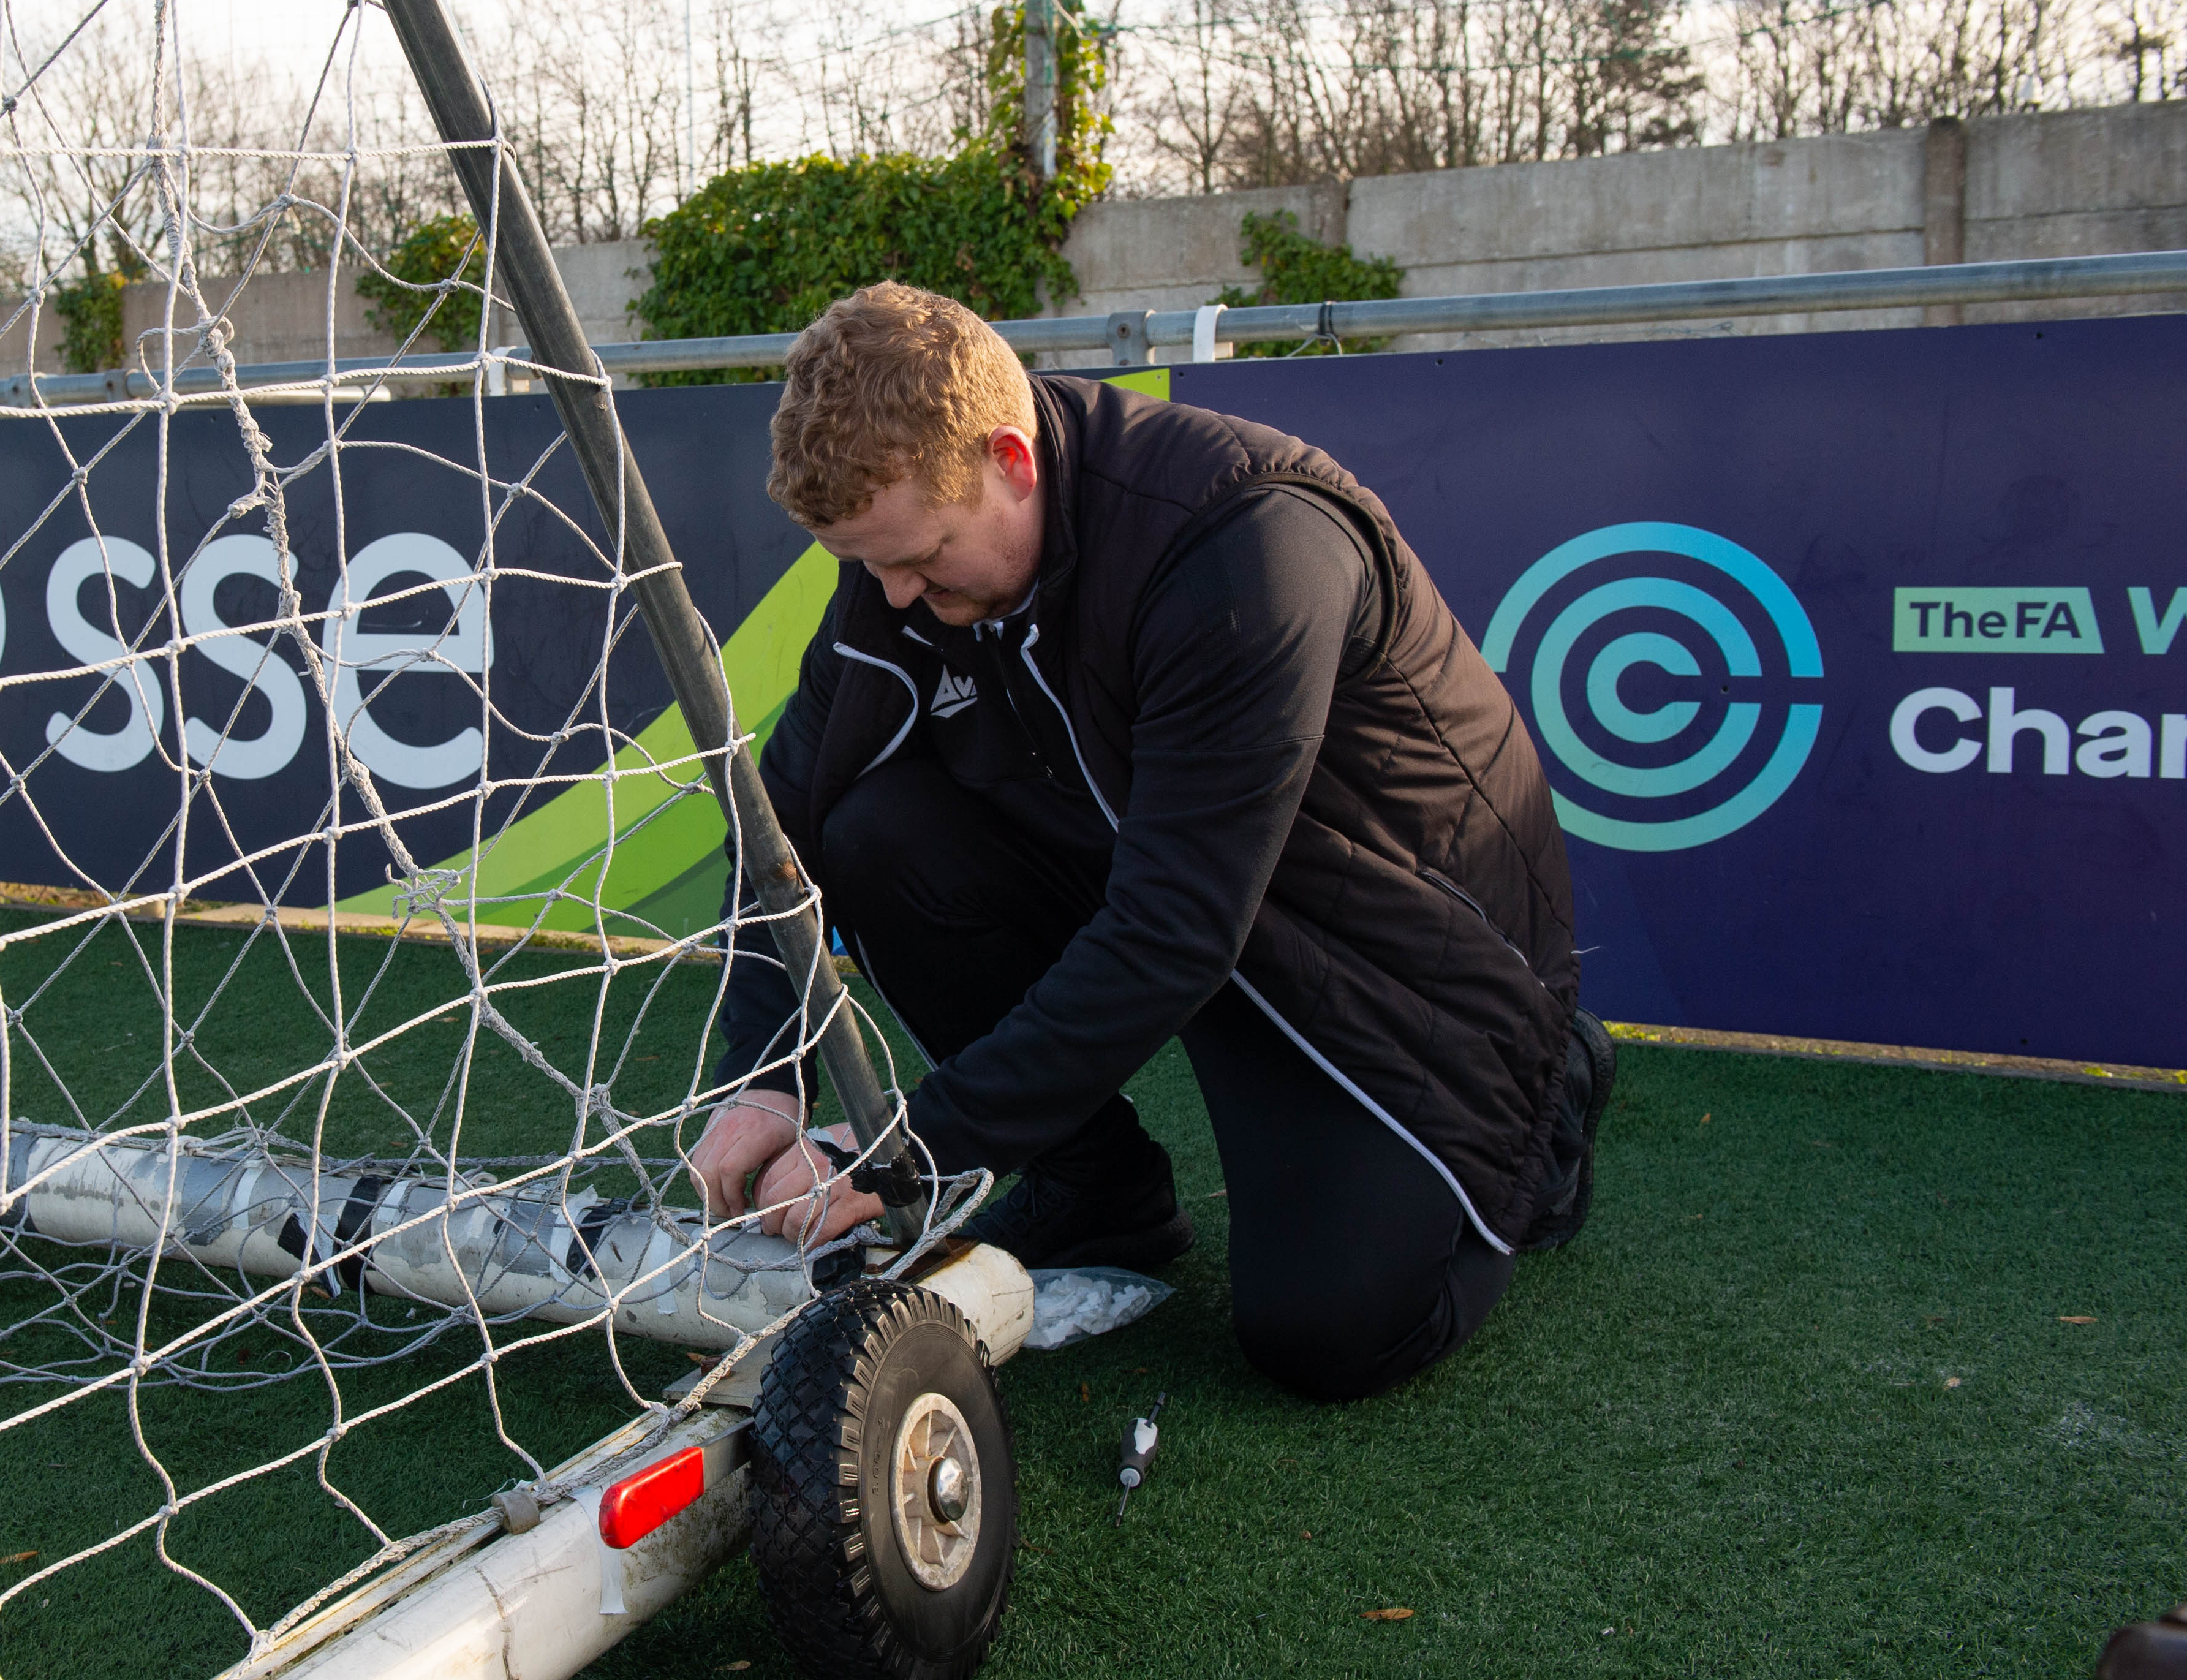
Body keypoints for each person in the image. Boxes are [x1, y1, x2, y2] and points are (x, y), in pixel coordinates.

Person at [686, 282, 1612, 1403]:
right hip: (1174, 892)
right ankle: (1100, 1190)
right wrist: (763, 1074)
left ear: (1012, 462)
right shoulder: (905, 562)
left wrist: (901, 1148)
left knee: (1332, 1334)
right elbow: (786, 832)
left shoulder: (1248, 541)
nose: (893, 597)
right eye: (867, 568)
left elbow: (1177, 928)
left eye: (920, 560)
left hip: (1382, 958)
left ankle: (1547, 1090)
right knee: (872, 826)